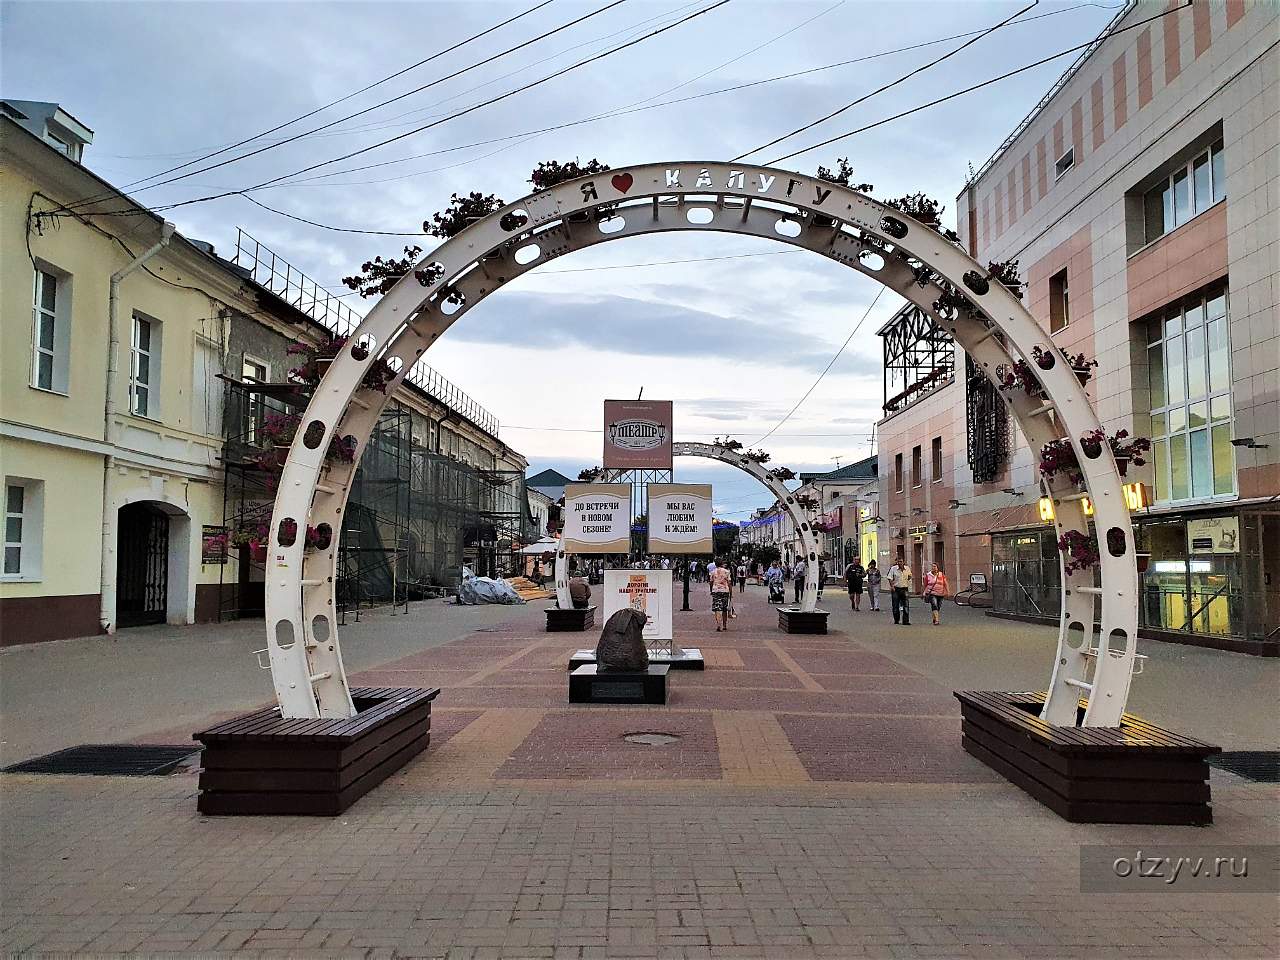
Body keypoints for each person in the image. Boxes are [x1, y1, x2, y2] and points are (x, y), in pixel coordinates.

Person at [887, 557, 912, 625]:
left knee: (906, 605)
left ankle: (905, 621)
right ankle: (896, 620)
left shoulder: (907, 568)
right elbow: (890, 578)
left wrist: (907, 581)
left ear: (903, 562)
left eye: (901, 561)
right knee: (895, 606)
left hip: (904, 588)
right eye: (898, 562)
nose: (899, 563)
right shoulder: (893, 569)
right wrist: (892, 586)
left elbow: (910, 576)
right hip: (896, 589)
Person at [709, 558, 733, 631]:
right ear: (722, 563)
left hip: (716, 591)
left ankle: (718, 624)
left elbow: (711, 582)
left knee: (717, 608)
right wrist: (731, 592)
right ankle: (724, 625)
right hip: (725, 590)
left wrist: (711, 590)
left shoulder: (713, 572)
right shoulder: (727, 572)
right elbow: (729, 583)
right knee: (724, 608)